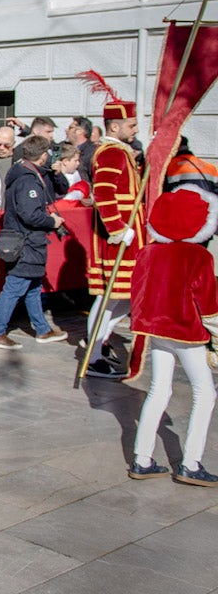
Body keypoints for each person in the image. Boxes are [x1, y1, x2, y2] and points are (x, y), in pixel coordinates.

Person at [125, 185, 218, 486]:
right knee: (205, 392)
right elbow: (209, 305)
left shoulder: (148, 251)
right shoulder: (198, 256)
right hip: (186, 330)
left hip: (156, 329)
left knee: (159, 388)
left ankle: (141, 458)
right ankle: (190, 463)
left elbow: (138, 293)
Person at [0, 136, 69, 349]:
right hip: (26, 241)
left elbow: (58, 190)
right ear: (42, 156)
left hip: (27, 241)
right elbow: (30, 214)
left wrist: (56, 174)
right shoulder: (27, 179)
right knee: (14, 286)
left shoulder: (26, 173)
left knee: (33, 286)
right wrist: (52, 221)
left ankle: (42, 328)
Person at [83, 86, 145, 378]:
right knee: (108, 297)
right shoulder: (109, 151)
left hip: (130, 235)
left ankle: (100, 343)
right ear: (115, 126)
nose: (135, 129)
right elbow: (105, 193)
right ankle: (93, 354)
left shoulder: (120, 150)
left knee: (127, 296)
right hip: (118, 237)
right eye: (131, 125)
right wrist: (119, 229)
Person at [68, 116, 97, 184]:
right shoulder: (62, 147)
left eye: (70, 128)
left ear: (80, 131)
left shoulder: (93, 151)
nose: (67, 130)